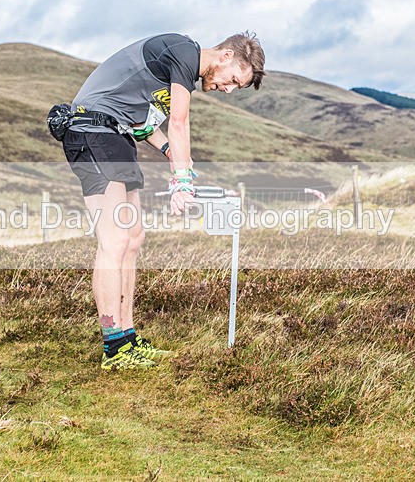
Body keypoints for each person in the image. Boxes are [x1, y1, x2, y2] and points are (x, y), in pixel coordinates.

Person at [61, 32, 266, 370]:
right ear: (226, 55)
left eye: (235, 88)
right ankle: (114, 347)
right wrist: (181, 180)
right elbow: (178, 122)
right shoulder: (184, 52)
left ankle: (127, 338)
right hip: (91, 131)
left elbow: (141, 121)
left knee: (133, 238)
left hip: (117, 135)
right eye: (232, 80)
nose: (228, 89)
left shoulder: (174, 69)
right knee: (113, 240)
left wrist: (171, 153)